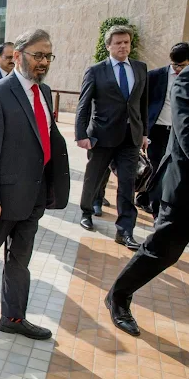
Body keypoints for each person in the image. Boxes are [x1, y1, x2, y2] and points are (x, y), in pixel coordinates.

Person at [0, 29, 70, 340]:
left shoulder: (43, 92)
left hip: (34, 195)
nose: (43, 62)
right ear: (17, 56)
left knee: (20, 261)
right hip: (1, 200)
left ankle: (13, 317)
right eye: (37, 55)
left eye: (48, 56)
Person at [105, 66, 189, 337]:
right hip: (184, 190)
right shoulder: (185, 81)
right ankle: (118, 296)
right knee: (162, 251)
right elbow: (187, 138)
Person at [76, 25, 148, 251]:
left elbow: (141, 104)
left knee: (127, 183)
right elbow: (83, 105)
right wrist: (81, 135)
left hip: (130, 137)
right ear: (108, 46)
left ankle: (125, 230)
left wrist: (144, 132)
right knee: (94, 178)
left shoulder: (140, 68)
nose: (123, 46)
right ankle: (87, 211)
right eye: (118, 43)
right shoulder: (96, 71)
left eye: (126, 42)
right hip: (102, 135)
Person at [135, 42, 189, 217]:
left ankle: (149, 198)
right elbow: (142, 104)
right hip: (157, 129)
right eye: (175, 65)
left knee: (169, 169)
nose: (178, 69)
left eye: (183, 65)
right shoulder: (156, 76)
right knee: (155, 166)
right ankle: (150, 201)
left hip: (178, 132)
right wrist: (143, 130)